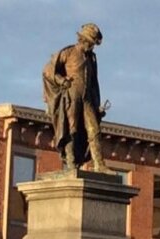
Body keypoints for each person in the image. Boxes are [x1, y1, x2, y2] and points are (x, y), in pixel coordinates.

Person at [43, 23, 106, 171]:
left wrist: (97, 106)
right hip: (71, 95)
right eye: (91, 43)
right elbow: (48, 70)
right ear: (83, 40)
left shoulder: (91, 59)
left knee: (94, 129)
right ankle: (70, 162)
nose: (92, 47)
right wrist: (62, 80)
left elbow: (93, 83)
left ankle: (99, 164)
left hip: (87, 98)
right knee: (71, 128)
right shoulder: (68, 52)